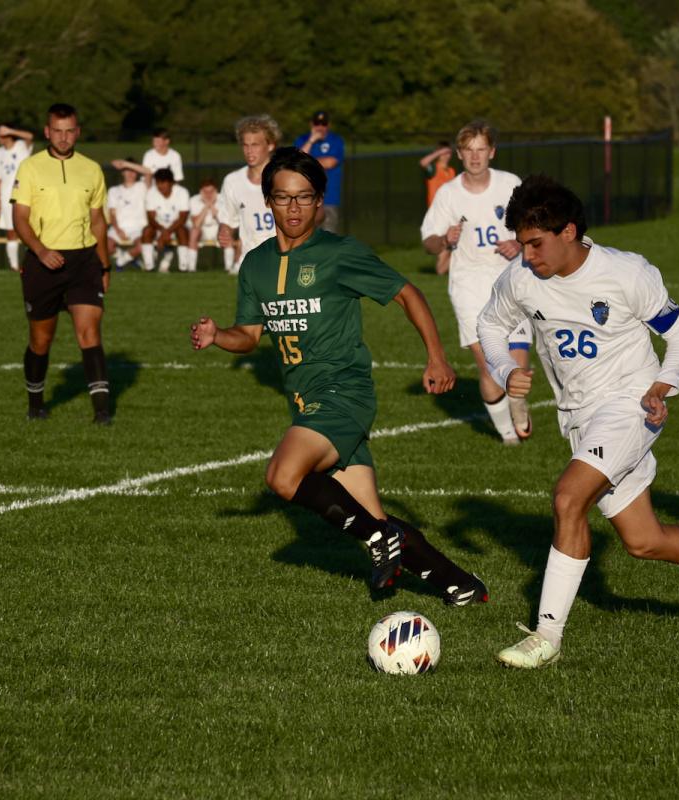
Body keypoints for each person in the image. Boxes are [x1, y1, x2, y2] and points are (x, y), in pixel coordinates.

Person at [478, 175, 679, 668]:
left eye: (535, 243)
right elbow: (490, 324)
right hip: (577, 416)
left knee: (567, 498)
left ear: (569, 232)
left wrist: (663, 384)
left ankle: (546, 638)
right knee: (643, 540)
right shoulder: (519, 277)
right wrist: (505, 368)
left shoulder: (626, 273)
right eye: (521, 243)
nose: (527, 254)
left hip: (630, 407)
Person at [189, 147, 487, 605]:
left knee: (283, 476)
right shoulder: (256, 264)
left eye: (304, 197)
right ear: (267, 201)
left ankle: (378, 539)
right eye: (283, 197)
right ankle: (461, 585)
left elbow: (407, 293)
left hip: (344, 392)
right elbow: (248, 335)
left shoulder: (340, 253)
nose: (294, 207)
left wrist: (437, 358)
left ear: (320, 201)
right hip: (305, 400)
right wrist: (217, 337)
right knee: (371, 515)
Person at [421, 120, 533, 445]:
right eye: (468, 150)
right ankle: (508, 437)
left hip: (511, 280)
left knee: (518, 367)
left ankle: (518, 403)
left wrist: (520, 243)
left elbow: (534, 225)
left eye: (481, 149)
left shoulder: (510, 184)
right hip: (469, 286)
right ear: (459, 154)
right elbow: (428, 240)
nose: (475, 157)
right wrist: (444, 238)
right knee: (490, 368)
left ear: (492, 152)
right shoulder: (448, 193)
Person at [12, 102, 112, 424]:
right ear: (47, 132)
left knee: (89, 332)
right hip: (44, 262)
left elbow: (98, 222)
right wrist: (40, 251)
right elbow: (20, 218)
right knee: (41, 339)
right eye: (58, 131)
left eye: (70, 131)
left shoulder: (92, 169)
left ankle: (102, 414)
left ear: (78, 132)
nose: (64, 137)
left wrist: (105, 265)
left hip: (84, 261)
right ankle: (36, 404)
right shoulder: (30, 168)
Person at [218, 114, 280, 274]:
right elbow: (228, 221)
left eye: (255, 145)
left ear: (271, 145)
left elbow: (316, 214)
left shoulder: (286, 177)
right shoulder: (232, 181)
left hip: (284, 260)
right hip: (249, 262)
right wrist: (224, 232)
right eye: (245, 145)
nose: (249, 151)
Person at [0, 124, 35, 271]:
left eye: (0, 135)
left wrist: (10, 131)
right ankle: (14, 266)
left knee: (31, 230)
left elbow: (30, 136)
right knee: (11, 231)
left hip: (26, 194)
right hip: (6, 196)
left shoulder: (21, 146)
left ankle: (33, 263)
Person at [293, 111, 344, 231]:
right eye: (317, 123)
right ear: (311, 124)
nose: (320, 127)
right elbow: (296, 161)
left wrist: (306, 162)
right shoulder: (302, 140)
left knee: (328, 240)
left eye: (324, 124)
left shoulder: (336, 140)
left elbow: (330, 162)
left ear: (328, 125)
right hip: (305, 199)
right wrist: (311, 141)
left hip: (329, 198)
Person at [141, 167, 191, 272]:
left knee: (182, 231)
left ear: (172, 183)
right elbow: (150, 218)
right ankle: (149, 267)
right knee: (147, 231)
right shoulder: (151, 193)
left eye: (163, 183)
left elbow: (182, 218)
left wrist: (167, 232)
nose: (160, 186)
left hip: (176, 226)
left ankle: (183, 268)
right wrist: (163, 231)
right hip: (158, 228)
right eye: (158, 183)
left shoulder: (182, 192)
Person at [420, 140, 456, 275]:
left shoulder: (451, 171)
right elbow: (423, 163)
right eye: (444, 153)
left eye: (448, 152)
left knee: (450, 241)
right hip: (436, 213)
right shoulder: (434, 169)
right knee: (443, 242)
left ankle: (443, 268)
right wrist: (438, 152)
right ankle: (442, 269)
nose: (446, 155)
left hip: (450, 212)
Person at [107, 158, 150, 269]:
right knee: (105, 247)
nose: (131, 173)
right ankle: (130, 258)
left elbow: (148, 172)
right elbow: (112, 213)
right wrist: (117, 229)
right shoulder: (113, 190)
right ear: (122, 172)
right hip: (119, 228)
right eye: (127, 170)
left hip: (139, 228)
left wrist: (126, 164)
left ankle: (121, 261)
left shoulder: (142, 187)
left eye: (133, 170)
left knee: (142, 246)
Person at [187, 178, 228, 273]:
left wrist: (212, 206)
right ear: (201, 191)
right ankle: (191, 268)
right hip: (201, 231)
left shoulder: (223, 199)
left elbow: (223, 222)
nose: (208, 194)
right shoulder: (194, 200)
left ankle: (229, 269)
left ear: (216, 191)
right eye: (205, 192)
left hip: (218, 230)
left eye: (211, 191)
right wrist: (207, 205)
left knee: (226, 230)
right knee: (194, 231)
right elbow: (196, 224)